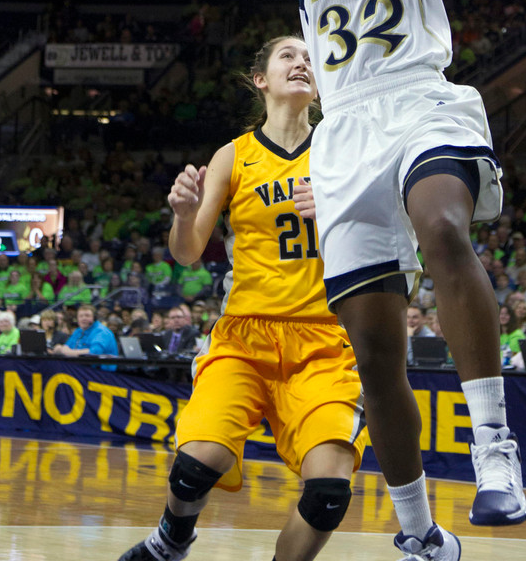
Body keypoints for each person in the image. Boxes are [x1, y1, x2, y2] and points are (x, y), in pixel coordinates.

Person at [266, 0, 526, 559]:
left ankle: (494, 451)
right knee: (376, 356)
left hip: (419, 101)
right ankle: (419, 532)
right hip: (344, 138)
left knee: (444, 229)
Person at [118, 35, 367, 561]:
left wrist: (340, 212)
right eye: (288, 56)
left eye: (310, 58)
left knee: (328, 492)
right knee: (194, 466)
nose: (301, 63)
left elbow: (383, 239)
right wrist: (185, 215)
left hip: (323, 341)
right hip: (245, 335)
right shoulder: (233, 155)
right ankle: (170, 540)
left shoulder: (344, 150)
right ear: (261, 79)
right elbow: (187, 252)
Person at [49, 302, 119, 358]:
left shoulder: (102, 332)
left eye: (87, 315)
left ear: (94, 318)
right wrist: (62, 349)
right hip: (80, 366)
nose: (83, 318)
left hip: (98, 370)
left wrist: (68, 352)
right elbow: (67, 346)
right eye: (81, 316)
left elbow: (94, 353)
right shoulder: (78, 331)